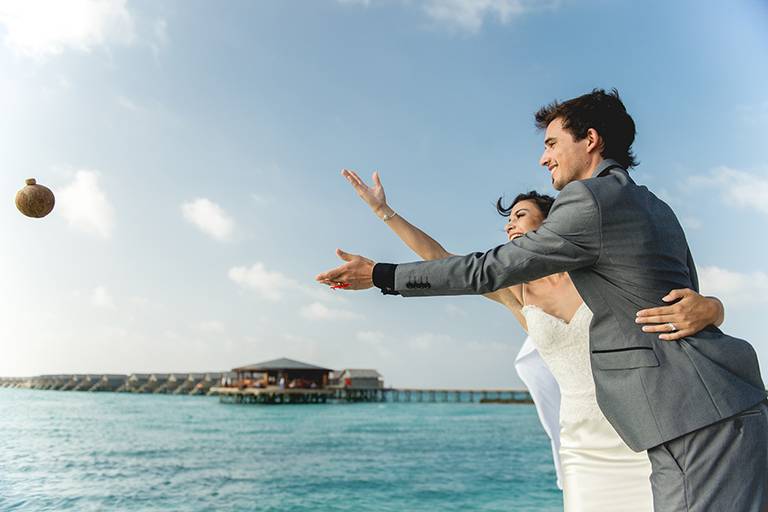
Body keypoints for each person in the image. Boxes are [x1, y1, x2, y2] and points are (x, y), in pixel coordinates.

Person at [317, 89, 768, 511]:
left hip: (686, 419)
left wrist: (380, 274)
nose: (543, 156)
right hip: (681, 418)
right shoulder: (652, 205)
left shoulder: (589, 200)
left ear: (590, 140)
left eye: (552, 143)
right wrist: (384, 214)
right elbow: (678, 290)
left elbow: (482, 268)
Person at [341, 169, 725, 508]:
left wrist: (713, 307)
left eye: (520, 216)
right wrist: (383, 213)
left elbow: (683, 307)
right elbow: (440, 258)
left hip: (643, 429)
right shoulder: (517, 293)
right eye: (507, 221)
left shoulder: (601, 273)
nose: (509, 226)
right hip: (582, 445)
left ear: (552, 224)